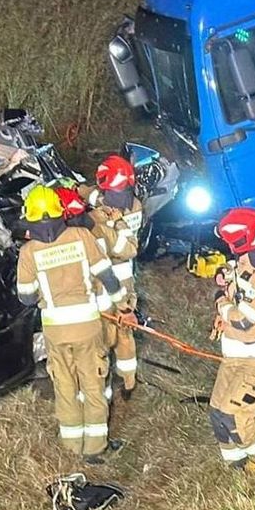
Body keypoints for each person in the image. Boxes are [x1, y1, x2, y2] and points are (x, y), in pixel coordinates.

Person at [16, 185, 130, 463]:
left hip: (55, 331)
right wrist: (123, 306)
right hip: (87, 327)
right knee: (93, 386)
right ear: (60, 213)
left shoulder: (28, 252)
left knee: (65, 387)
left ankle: (71, 447)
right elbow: (107, 277)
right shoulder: (81, 236)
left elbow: (26, 297)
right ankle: (95, 448)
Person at [208, 207, 255, 471]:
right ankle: (236, 463)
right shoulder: (246, 259)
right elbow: (236, 275)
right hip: (236, 352)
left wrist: (221, 302)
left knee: (236, 415)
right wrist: (225, 275)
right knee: (218, 411)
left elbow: (242, 319)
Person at [86, 155, 144, 398]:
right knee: (125, 330)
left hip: (106, 281)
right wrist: (83, 191)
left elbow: (115, 246)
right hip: (126, 278)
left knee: (104, 334)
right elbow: (95, 195)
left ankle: (105, 390)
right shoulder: (135, 204)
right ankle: (128, 381)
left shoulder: (101, 218)